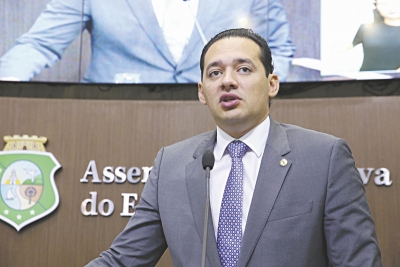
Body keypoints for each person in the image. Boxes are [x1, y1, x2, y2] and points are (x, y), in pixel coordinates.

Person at [85, 28, 381, 267]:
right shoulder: (171, 165)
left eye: (243, 69)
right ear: (202, 92)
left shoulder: (324, 157)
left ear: (272, 84)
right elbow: (123, 260)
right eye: (214, 73)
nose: (227, 81)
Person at [0, 0, 295, 83]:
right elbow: (38, 45)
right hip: (107, 125)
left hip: (214, 125)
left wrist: (260, 92)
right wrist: (8, 84)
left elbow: (278, 50)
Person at [352, 0, 400, 71]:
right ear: (375, 6)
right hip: (366, 79)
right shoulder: (367, 28)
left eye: (395, 2)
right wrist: (357, 15)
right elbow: (339, 48)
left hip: (394, 80)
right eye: (384, 4)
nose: (391, 7)